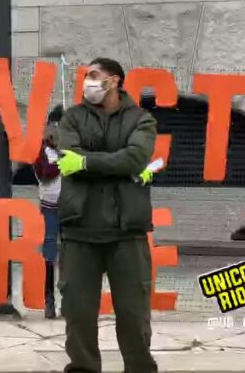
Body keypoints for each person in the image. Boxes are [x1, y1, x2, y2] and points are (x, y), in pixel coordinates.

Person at [56, 58, 158, 373]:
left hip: (127, 231)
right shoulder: (72, 118)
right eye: (86, 75)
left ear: (114, 81)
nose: (87, 80)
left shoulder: (141, 119)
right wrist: (118, 163)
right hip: (79, 229)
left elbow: (136, 157)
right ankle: (83, 368)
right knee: (78, 313)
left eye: (94, 75)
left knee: (133, 314)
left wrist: (86, 163)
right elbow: (68, 155)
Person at [33, 104, 64, 319]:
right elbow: (45, 173)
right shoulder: (42, 152)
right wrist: (63, 162)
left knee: (70, 255)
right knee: (50, 254)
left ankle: (68, 300)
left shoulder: (68, 151)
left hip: (68, 208)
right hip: (50, 209)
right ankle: (49, 300)